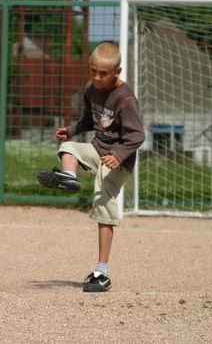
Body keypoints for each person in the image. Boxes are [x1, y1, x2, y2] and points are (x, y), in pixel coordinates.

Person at [37, 42, 146, 292]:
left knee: (101, 204)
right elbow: (89, 120)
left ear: (117, 71)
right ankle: (69, 177)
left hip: (118, 161)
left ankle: (102, 273)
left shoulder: (125, 98)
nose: (97, 77)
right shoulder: (91, 88)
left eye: (103, 73)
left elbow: (138, 135)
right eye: (93, 71)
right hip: (98, 151)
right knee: (68, 148)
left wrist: (119, 155)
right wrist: (71, 130)